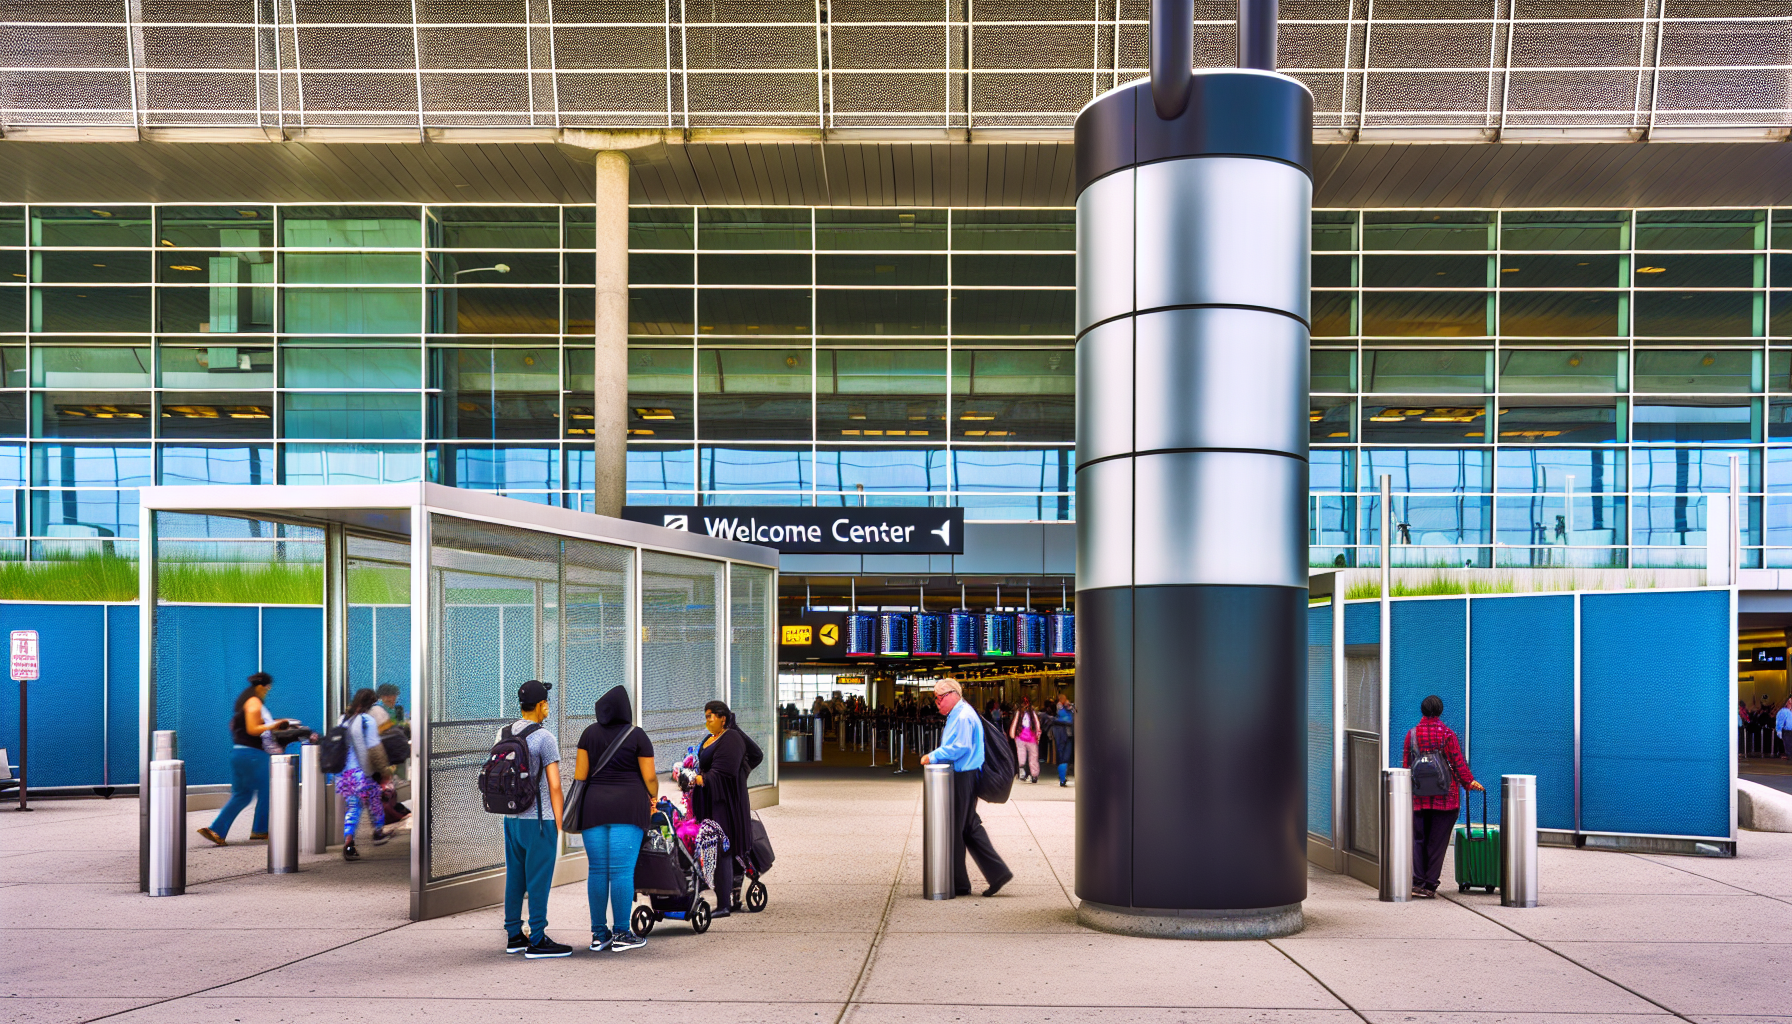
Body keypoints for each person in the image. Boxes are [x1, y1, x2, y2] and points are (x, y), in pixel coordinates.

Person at [573, 685, 657, 952]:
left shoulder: (588, 734)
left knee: (597, 870)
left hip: (593, 809)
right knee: (621, 871)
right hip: (628, 809)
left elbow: (580, 776)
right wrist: (653, 796)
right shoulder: (637, 736)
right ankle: (622, 932)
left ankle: (600, 934)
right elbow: (651, 778)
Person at [922, 678, 1012, 897]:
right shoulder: (961, 713)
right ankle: (997, 873)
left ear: (953, 694)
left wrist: (931, 756)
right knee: (968, 826)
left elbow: (959, 747)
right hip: (966, 776)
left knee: (955, 829)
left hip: (963, 776)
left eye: (939, 697)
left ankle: (959, 883)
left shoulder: (962, 716)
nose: (937, 702)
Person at [501, 679, 569, 958]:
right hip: (538, 821)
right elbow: (554, 784)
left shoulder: (504, 732)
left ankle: (514, 935)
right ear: (541, 706)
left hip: (510, 818)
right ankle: (538, 938)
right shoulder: (545, 737)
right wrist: (560, 821)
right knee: (539, 880)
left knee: (515, 877)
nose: (548, 707)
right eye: (547, 703)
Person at [197, 672, 294, 847]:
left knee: (242, 795)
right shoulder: (254, 702)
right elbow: (253, 728)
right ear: (260, 686)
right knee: (267, 791)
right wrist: (275, 725)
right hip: (254, 755)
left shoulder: (244, 704)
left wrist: (275, 723)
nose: (268, 690)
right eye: (267, 687)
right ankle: (260, 830)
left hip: (239, 754)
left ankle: (216, 830)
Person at [1402, 694, 1483, 899]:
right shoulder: (1447, 734)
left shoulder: (1411, 735)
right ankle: (1429, 885)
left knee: (1418, 839)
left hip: (1418, 797)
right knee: (1437, 842)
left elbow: (1407, 765)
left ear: (1422, 711)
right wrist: (1469, 782)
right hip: (1445, 799)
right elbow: (1457, 763)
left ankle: (1417, 882)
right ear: (1439, 711)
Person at [689, 699, 765, 917]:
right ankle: (731, 897)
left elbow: (725, 771)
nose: (707, 721)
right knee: (721, 848)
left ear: (723, 718)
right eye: (705, 717)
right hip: (711, 800)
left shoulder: (731, 738)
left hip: (726, 802)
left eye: (710, 716)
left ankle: (724, 905)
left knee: (722, 848)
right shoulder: (711, 738)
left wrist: (700, 779)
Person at [335, 688, 388, 861]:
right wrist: (384, 772)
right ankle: (378, 832)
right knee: (374, 799)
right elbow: (375, 750)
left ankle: (350, 841)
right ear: (370, 704)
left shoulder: (342, 719)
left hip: (345, 774)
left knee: (354, 806)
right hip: (361, 773)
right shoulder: (367, 721)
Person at [1008, 697, 1041, 784]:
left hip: (1024, 737)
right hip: (1026, 738)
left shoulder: (1023, 713)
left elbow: (1015, 723)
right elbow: (1037, 724)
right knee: (1029, 756)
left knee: (1026, 756)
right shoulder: (1029, 714)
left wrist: (1012, 733)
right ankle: (1031, 774)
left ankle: (1031, 774)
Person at [1049, 695, 1075, 787]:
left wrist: (1069, 707)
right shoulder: (1060, 708)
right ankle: (1062, 778)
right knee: (1063, 757)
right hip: (1063, 736)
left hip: (1066, 736)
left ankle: (1062, 777)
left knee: (1065, 757)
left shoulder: (1068, 708)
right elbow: (1067, 719)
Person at [1778, 697, 1792, 761]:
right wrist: (1779, 730)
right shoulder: (1783, 711)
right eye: (1789, 702)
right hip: (1787, 730)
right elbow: (1779, 721)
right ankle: (1789, 755)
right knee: (1788, 744)